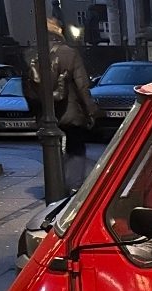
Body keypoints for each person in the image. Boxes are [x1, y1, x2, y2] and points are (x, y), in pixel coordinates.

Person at [26, 17, 99, 190]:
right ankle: (73, 186)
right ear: (59, 30)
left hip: (47, 113)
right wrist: (91, 111)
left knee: (52, 151)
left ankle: (55, 185)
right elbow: (82, 85)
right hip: (70, 111)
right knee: (75, 148)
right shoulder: (69, 53)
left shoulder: (31, 54)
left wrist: (36, 110)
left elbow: (27, 88)